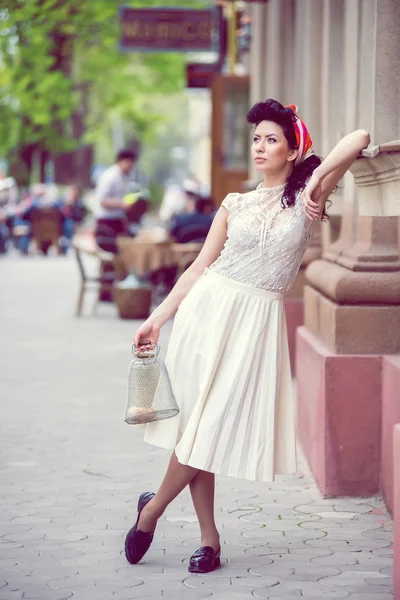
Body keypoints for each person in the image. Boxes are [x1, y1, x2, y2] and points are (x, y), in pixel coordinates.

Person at [125, 99, 370, 573]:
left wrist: (317, 177)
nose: (260, 146)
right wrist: (158, 318)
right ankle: (209, 540)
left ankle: (151, 511)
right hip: (206, 315)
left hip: (254, 324)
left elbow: (357, 139)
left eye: (272, 139)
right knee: (199, 426)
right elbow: (199, 268)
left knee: (211, 426)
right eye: (256, 138)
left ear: (293, 148)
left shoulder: (306, 197)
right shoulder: (234, 203)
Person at [94, 148, 140, 254]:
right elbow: (102, 200)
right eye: (130, 163)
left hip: (119, 219)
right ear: (123, 161)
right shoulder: (110, 176)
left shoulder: (125, 176)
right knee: (120, 251)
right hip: (106, 221)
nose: (131, 167)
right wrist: (121, 204)